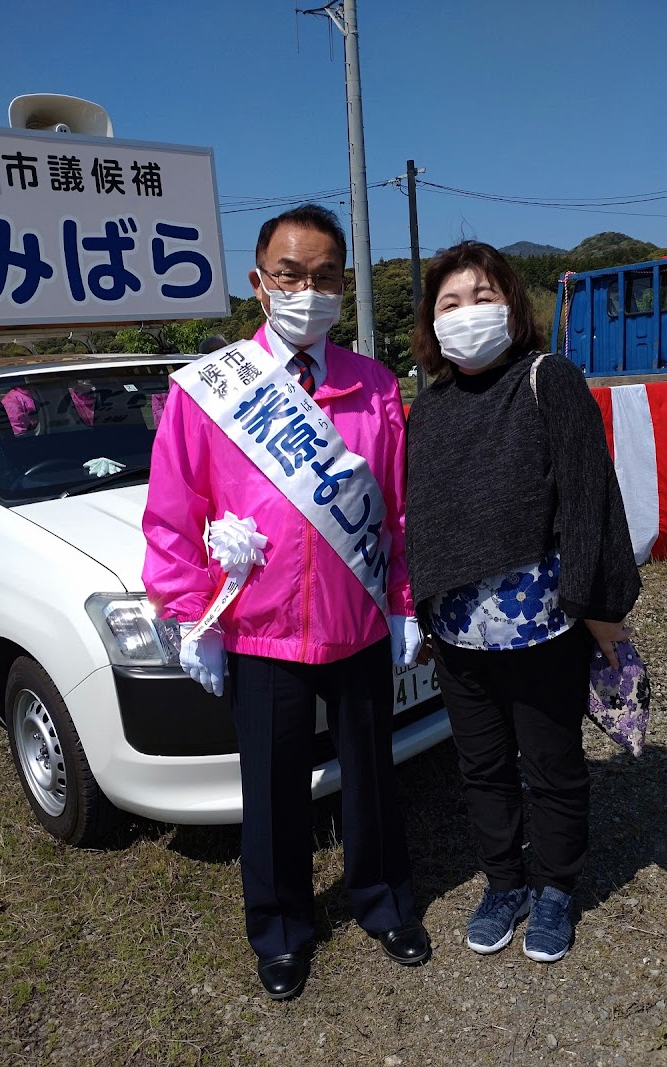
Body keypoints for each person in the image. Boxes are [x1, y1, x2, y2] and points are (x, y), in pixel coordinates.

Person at [142, 204, 430, 1001]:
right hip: (261, 630)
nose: (310, 289)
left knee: (373, 774)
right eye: (291, 274)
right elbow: (174, 513)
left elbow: (396, 507)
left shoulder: (371, 385)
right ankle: (280, 930)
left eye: (326, 276)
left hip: (358, 620)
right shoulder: (211, 390)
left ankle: (385, 902)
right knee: (271, 792)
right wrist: (188, 618)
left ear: (344, 283)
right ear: (259, 283)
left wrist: (402, 601)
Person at [405, 241, 641, 963]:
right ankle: (504, 881)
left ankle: (557, 886)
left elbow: (587, 504)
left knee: (553, 764)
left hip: (542, 631)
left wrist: (607, 627)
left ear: (512, 304)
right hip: (458, 637)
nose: (467, 313)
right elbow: (423, 516)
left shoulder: (549, 379)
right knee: (481, 768)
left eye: (483, 296)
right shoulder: (431, 407)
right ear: (431, 323)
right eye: (450, 302)